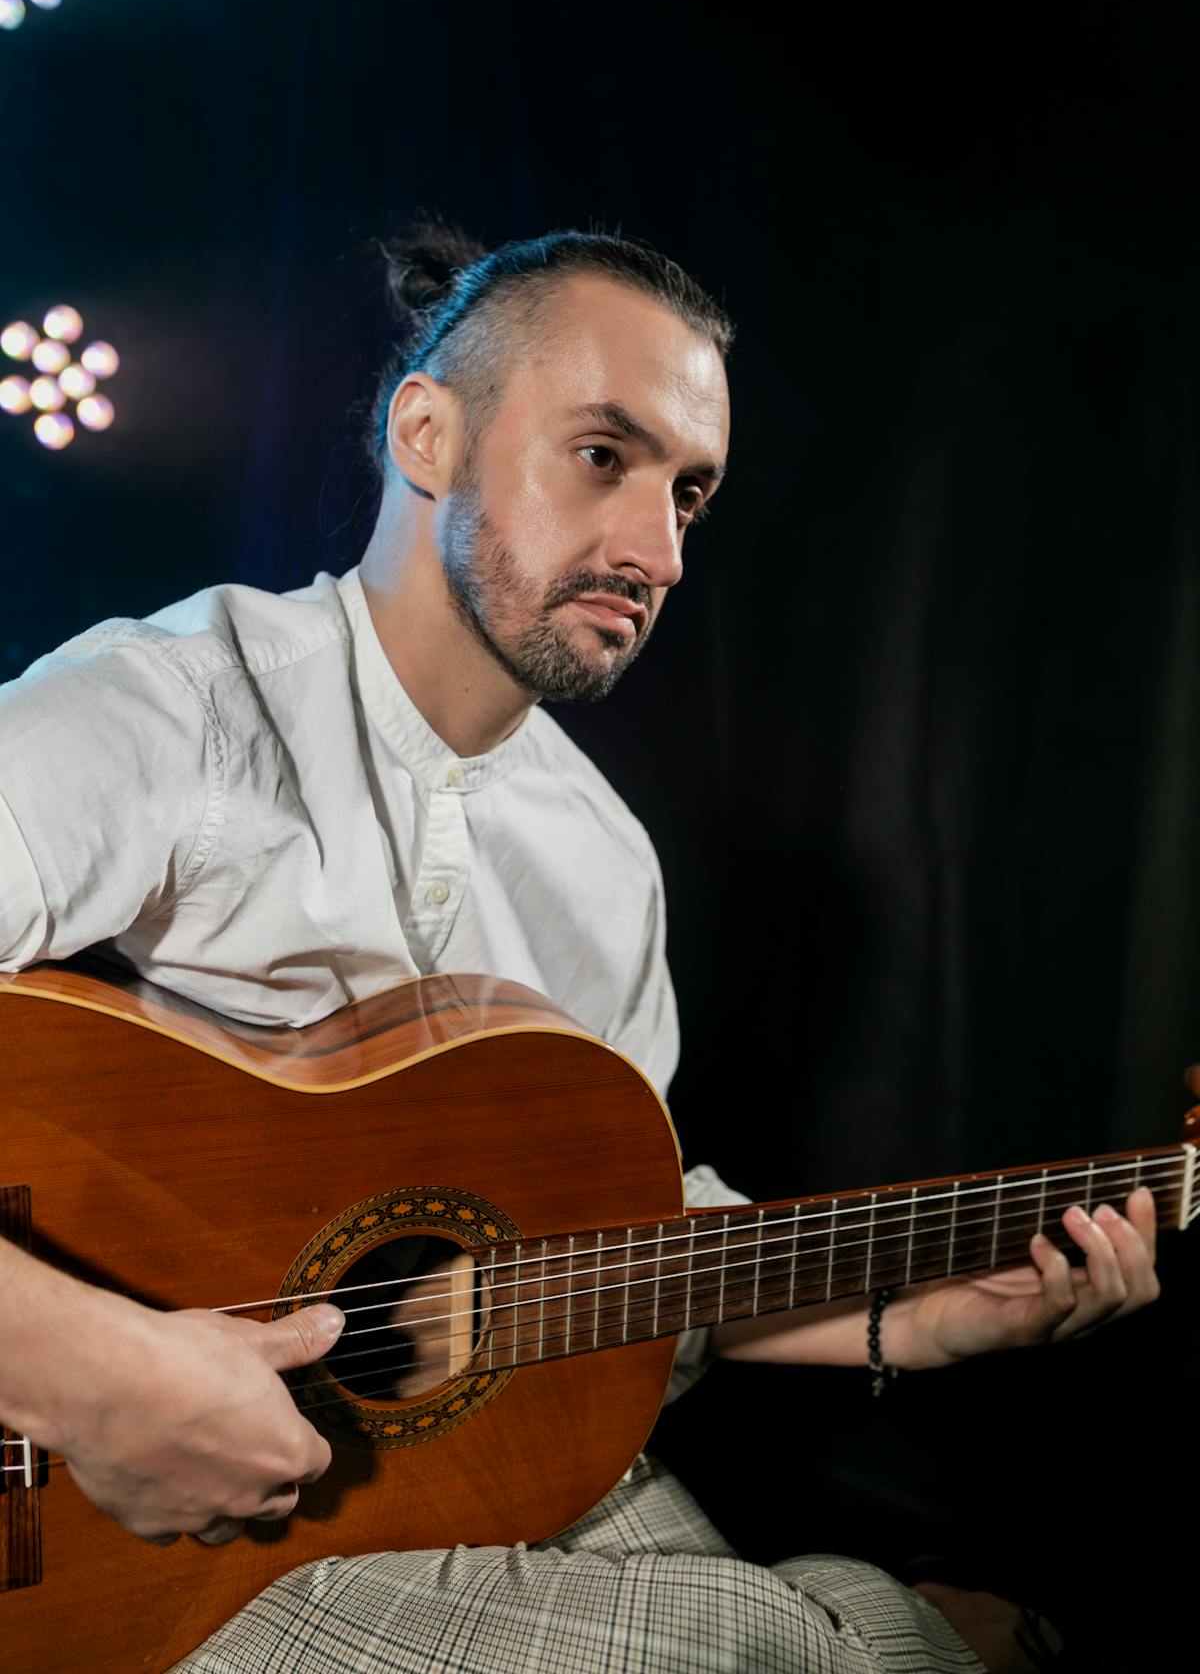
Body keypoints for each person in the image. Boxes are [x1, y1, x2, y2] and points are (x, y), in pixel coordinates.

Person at [0, 228, 1159, 1673]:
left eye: (690, 492)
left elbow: (606, 1244)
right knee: (798, 1656)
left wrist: (903, 1327)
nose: (658, 551)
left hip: (446, 1468)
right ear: (429, 434)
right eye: (603, 457)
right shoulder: (172, 711)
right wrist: (92, 1371)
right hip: (111, 1517)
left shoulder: (602, 863)